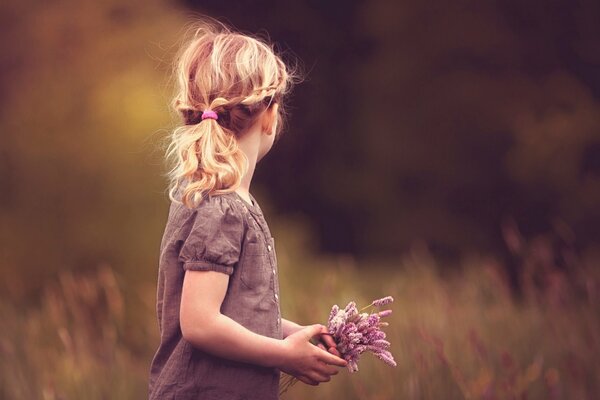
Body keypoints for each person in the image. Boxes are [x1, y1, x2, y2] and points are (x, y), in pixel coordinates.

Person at [148, 17, 347, 400]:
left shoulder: (214, 198)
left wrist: (294, 336)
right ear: (269, 114)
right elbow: (200, 323)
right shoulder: (221, 208)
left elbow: (232, 313)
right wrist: (284, 355)